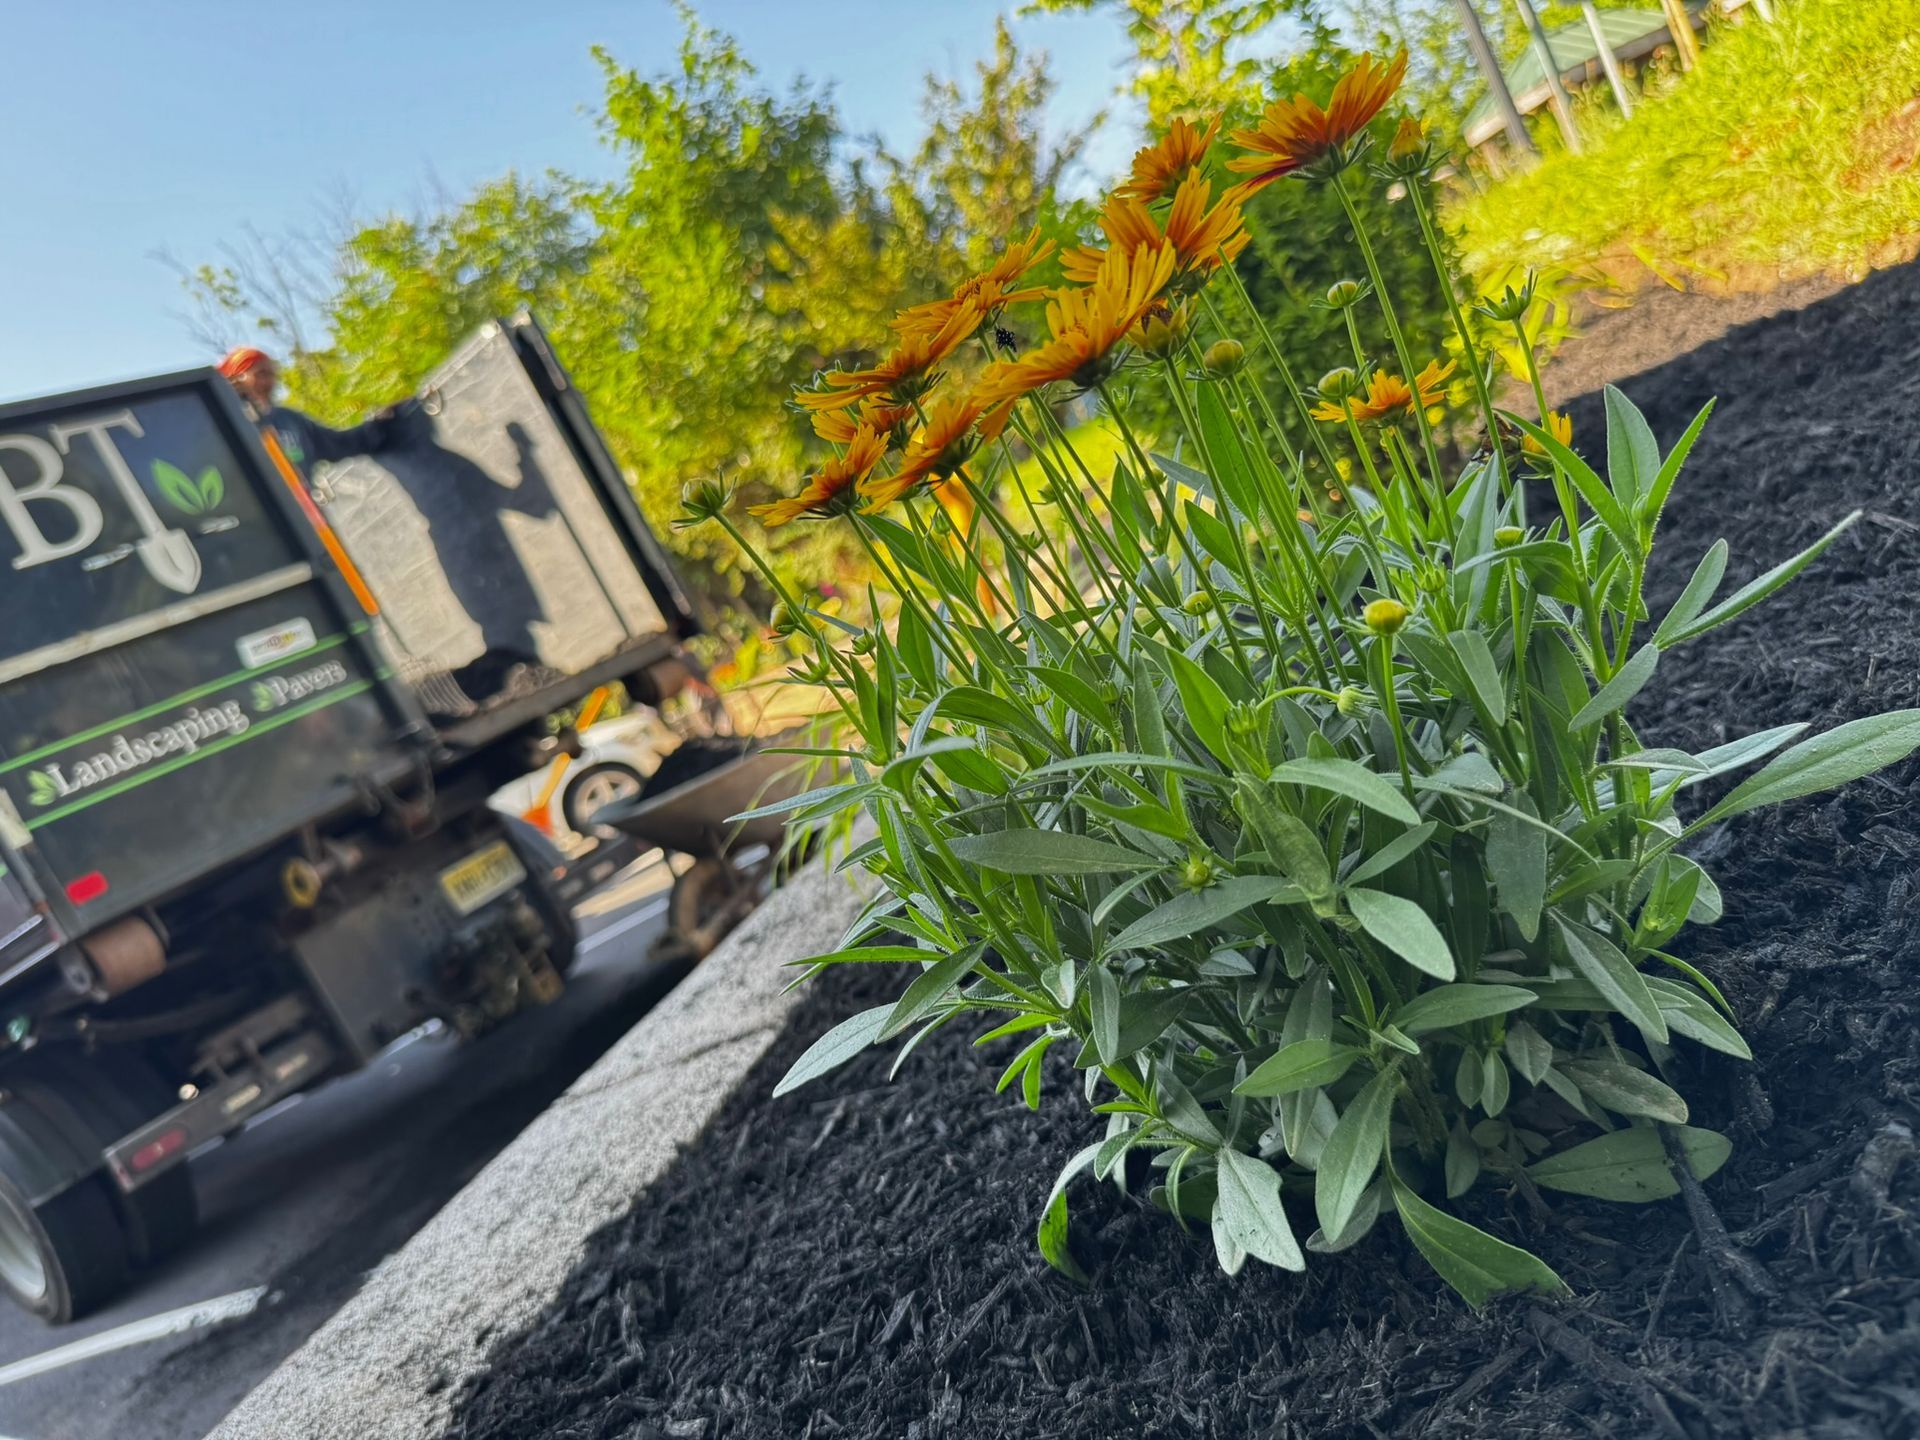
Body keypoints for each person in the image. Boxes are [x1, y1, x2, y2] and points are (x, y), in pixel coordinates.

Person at [216, 346, 401, 469]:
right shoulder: (225, 431)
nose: (268, 382)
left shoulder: (288, 420)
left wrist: (379, 423)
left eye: (272, 375)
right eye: (260, 374)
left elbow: (339, 444)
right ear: (235, 381)